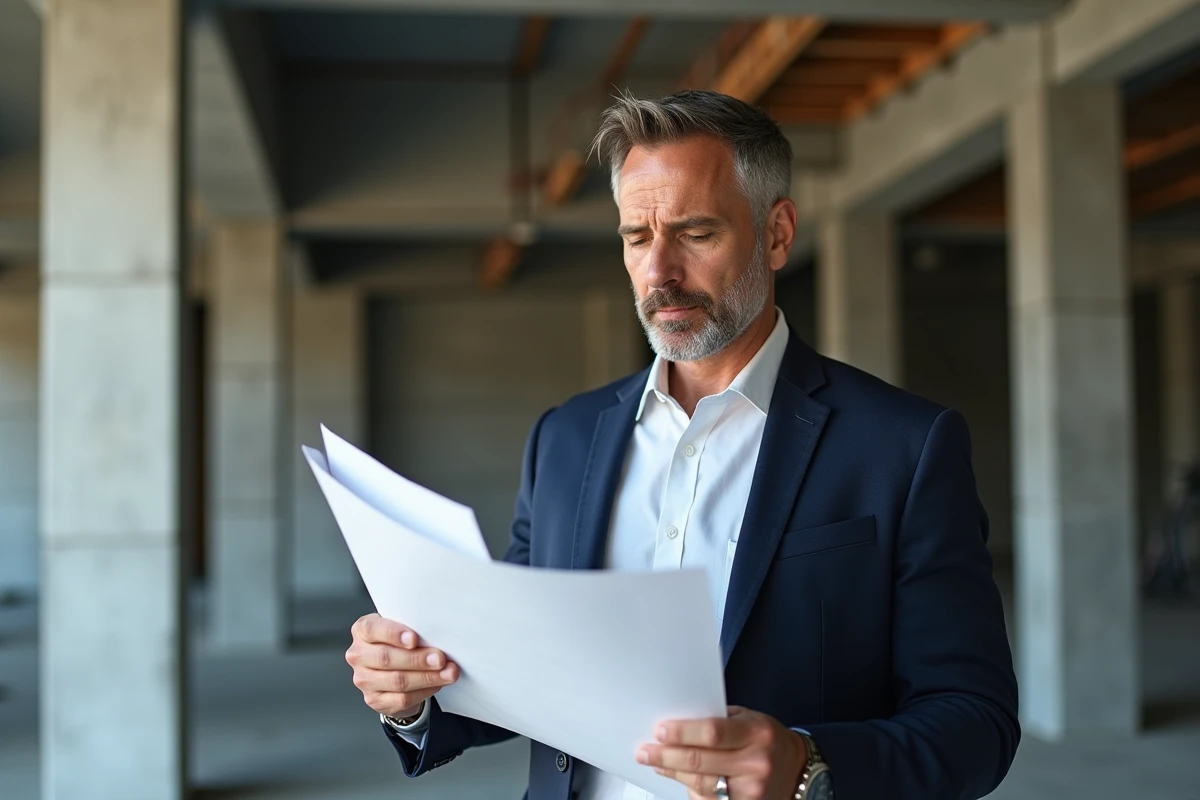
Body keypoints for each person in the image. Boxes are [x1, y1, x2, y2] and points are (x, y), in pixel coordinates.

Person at [345, 89, 1019, 800]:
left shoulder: (906, 448)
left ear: (778, 233)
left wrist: (809, 765)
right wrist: (415, 692)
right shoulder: (564, 439)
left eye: (695, 233)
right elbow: (520, 671)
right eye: (637, 237)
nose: (659, 271)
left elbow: (976, 722)